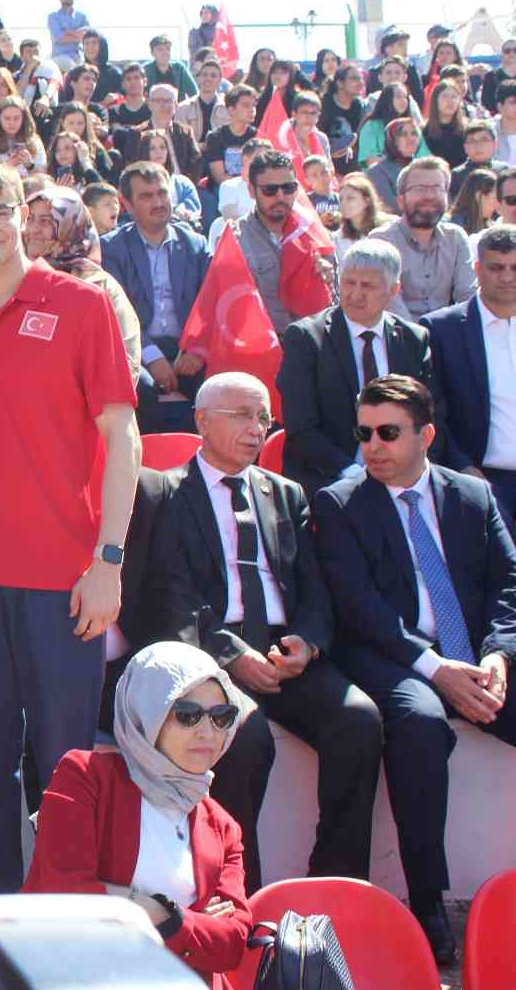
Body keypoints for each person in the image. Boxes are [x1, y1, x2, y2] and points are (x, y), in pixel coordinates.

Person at [0, 158, 140, 894]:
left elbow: (124, 437)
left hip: (64, 580)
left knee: (63, 772)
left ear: (25, 214)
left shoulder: (82, 306)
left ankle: (66, 921)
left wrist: (108, 559)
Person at [141, 373, 383, 892]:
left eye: (264, 420)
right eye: (243, 417)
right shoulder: (163, 493)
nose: (256, 430)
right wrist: (231, 657)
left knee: (358, 720)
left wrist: (309, 641)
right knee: (244, 738)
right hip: (210, 655)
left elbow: (315, 588)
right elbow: (170, 600)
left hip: (284, 652)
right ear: (201, 420)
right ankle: (237, 893)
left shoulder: (288, 494)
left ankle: (334, 884)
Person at [314, 373, 516, 962]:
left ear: (426, 434)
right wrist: (437, 669)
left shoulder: (473, 496)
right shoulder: (341, 503)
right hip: (394, 659)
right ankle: (427, 899)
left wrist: (498, 655)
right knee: (421, 724)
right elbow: (359, 609)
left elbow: (509, 583)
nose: (372, 445)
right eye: (364, 433)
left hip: (479, 657)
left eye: (388, 432)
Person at [24, 642, 255, 990]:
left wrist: (163, 914)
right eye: (187, 714)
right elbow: (63, 896)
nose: (207, 732)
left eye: (221, 716)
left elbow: (232, 943)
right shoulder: (85, 777)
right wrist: (175, 916)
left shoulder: (222, 826)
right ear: (147, 714)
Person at [279, 239, 438, 500]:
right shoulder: (307, 338)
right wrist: (354, 474)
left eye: (367, 286)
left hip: (403, 477)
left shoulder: (413, 339)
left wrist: (410, 470)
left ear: (393, 290)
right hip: (330, 480)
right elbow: (301, 427)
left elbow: (430, 415)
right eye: (349, 282)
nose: (354, 294)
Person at [101, 162, 211, 432]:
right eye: (147, 196)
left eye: (162, 193)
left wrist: (197, 348)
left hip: (188, 347)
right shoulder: (111, 248)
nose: (158, 202)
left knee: (217, 391)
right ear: (125, 203)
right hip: (136, 349)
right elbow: (116, 311)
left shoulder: (195, 244)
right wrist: (151, 357)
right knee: (143, 392)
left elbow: (212, 302)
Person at [422, 225, 516, 522]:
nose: (507, 276)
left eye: (515, 267)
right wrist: (463, 469)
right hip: (478, 480)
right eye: (496, 267)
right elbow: (433, 410)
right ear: (477, 268)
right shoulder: (442, 330)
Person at [23, 186, 144, 382]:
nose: (33, 229)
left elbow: (125, 363)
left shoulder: (99, 287)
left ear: (72, 224)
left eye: (46, 221)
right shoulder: (14, 280)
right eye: (30, 219)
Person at [235, 150, 334, 334]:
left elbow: (335, 300)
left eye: (288, 188)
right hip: (264, 346)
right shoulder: (235, 240)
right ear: (251, 190)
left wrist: (329, 278)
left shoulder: (315, 233)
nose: (280, 196)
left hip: (314, 342)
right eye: (270, 190)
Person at [371, 157, 477, 320]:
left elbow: (468, 296)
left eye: (437, 188)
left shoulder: (455, 237)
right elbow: (390, 303)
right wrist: (421, 338)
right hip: (400, 336)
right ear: (401, 200)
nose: (429, 196)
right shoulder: (381, 240)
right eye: (420, 189)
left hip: (447, 333)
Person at [202, 86, 260, 189]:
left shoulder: (258, 137)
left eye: (254, 105)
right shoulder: (215, 137)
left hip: (251, 190)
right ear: (231, 110)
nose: (252, 110)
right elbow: (219, 177)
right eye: (246, 105)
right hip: (223, 190)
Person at [140, 130, 202, 225]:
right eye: (152, 148)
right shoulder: (136, 184)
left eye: (162, 147)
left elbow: (192, 205)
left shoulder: (182, 182)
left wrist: (177, 213)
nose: (158, 152)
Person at [425, 81, 470, 167]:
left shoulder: (468, 129)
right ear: (435, 100)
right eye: (445, 96)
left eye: (454, 97)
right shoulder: (424, 130)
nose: (450, 101)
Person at [48, 0, 90, 71]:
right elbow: (59, 38)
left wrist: (66, 32)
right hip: (60, 57)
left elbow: (86, 36)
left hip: (79, 56)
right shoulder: (53, 16)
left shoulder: (82, 16)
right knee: (76, 72)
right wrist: (76, 35)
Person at [450, 169, 499, 238]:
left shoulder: (493, 226)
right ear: (479, 196)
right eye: (494, 198)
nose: (497, 204)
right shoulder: (453, 228)